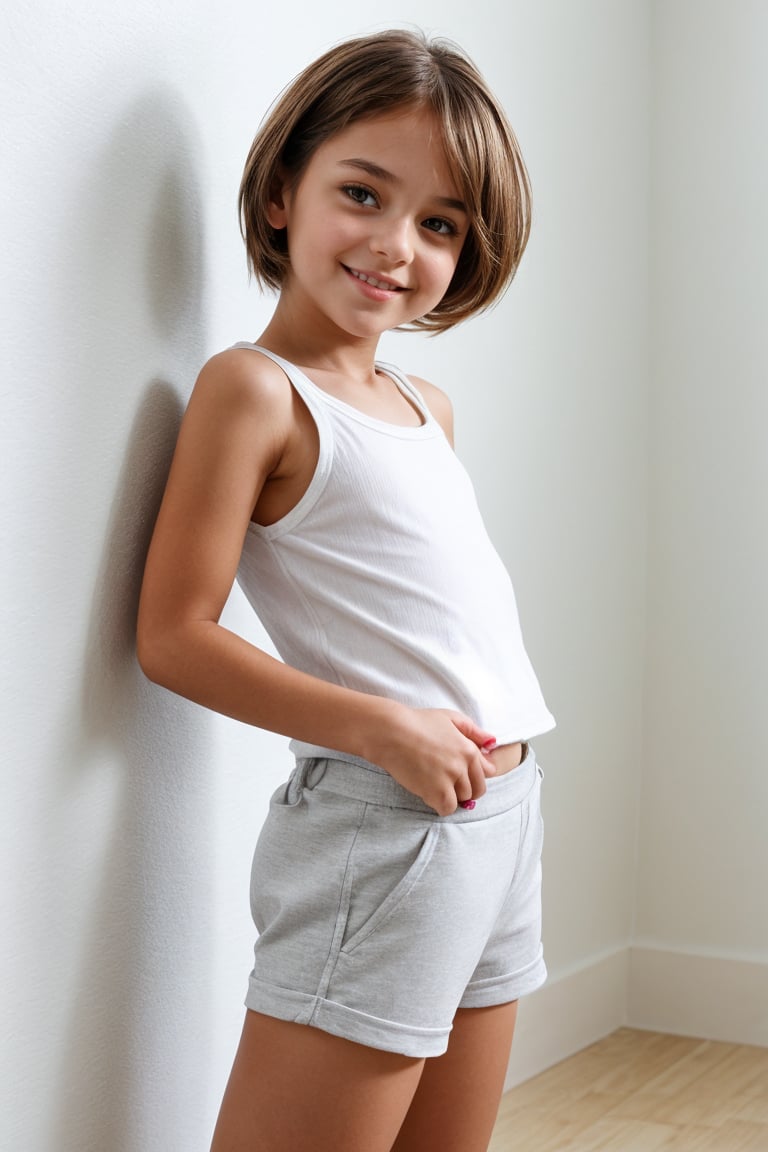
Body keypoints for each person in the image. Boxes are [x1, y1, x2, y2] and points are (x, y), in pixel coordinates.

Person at [137, 27, 555, 1152]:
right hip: (389, 828)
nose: (395, 246)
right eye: (362, 194)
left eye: (439, 224)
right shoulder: (255, 392)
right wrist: (382, 731)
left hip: (501, 821)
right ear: (283, 193)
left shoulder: (427, 407)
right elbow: (174, 635)